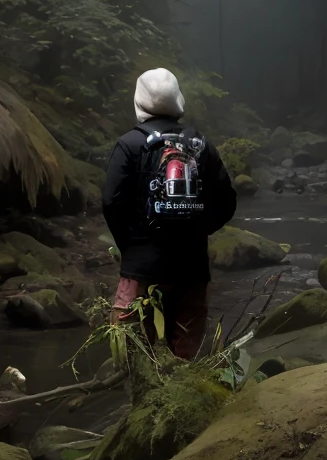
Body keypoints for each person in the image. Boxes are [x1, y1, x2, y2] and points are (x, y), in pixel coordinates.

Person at [101, 67, 237, 360]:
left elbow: (112, 201)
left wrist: (131, 245)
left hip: (141, 266)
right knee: (185, 353)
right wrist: (199, 230)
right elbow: (227, 202)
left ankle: (139, 404)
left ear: (139, 99)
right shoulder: (203, 145)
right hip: (193, 267)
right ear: (178, 99)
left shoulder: (130, 144)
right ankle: (185, 401)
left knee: (133, 352)